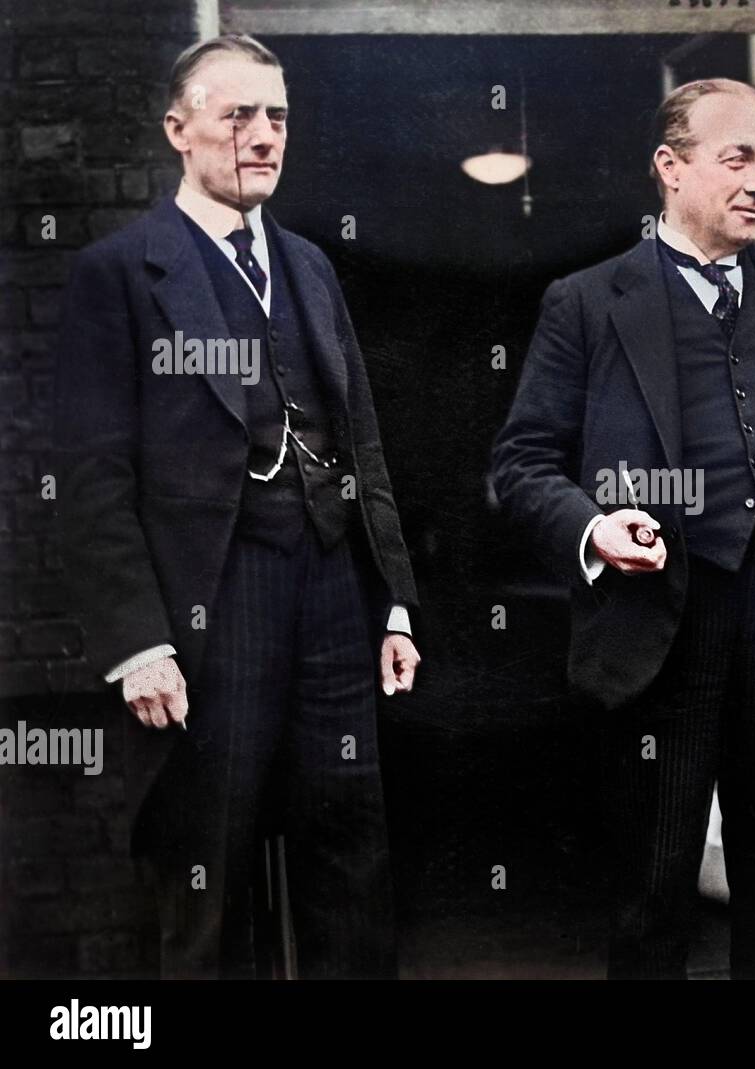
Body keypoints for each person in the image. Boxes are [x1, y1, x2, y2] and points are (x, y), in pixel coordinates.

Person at [492, 79, 755, 979]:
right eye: (737, 158)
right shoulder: (590, 302)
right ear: (670, 170)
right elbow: (519, 465)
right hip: (655, 623)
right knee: (652, 886)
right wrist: (595, 528)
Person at [55, 34, 422, 978]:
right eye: (239, 117)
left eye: (278, 119)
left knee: (350, 853)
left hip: (333, 594)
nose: (264, 137)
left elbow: (363, 442)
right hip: (212, 605)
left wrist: (392, 599)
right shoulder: (119, 273)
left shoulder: (309, 267)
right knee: (209, 869)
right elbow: (92, 478)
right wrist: (139, 641)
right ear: (180, 130)